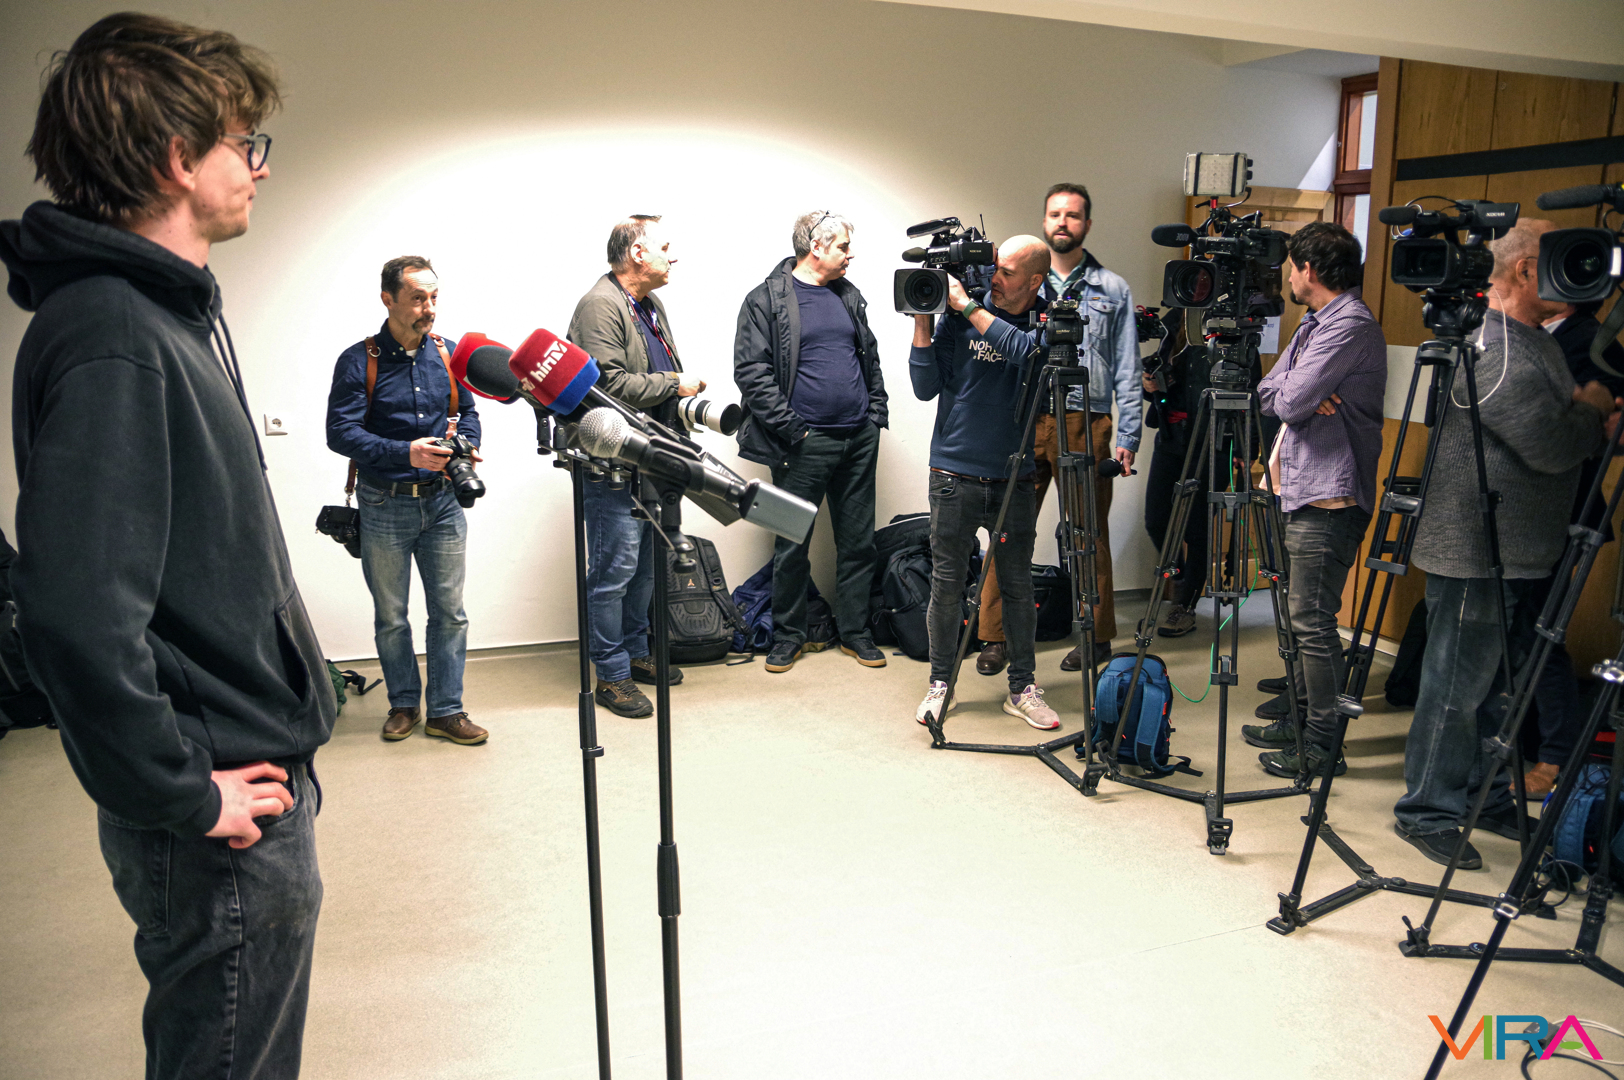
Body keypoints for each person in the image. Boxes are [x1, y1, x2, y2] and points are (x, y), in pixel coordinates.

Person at [1, 13, 336, 1076]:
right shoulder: (115, 334)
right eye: (246, 143)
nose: (260, 168)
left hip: (242, 777)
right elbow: (73, 617)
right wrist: (184, 794)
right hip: (217, 808)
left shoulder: (153, 317)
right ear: (177, 159)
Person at [1393, 219, 1617, 869]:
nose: (1579, 275)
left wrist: (1582, 411)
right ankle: (1428, 809)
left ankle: (1478, 793)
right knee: (1455, 689)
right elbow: (1551, 443)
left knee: (1494, 689)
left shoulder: (1531, 339)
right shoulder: (1493, 346)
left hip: (1516, 550)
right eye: (1560, 260)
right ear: (1523, 269)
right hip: (1474, 550)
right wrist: (1593, 407)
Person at [1237, 222, 1388, 779]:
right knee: (1298, 618)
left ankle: (1324, 744)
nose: (1287, 277)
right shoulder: (1315, 322)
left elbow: (1290, 401)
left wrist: (1302, 393)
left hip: (1330, 496)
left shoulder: (1349, 326)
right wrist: (1301, 392)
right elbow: (1267, 392)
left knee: (1314, 623)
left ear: (1309, 270)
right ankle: (1300, 722)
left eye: (1291, 267)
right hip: (1298, 486)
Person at [976, 184, 1140, 675]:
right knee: (1008, 528)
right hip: (1027, 415)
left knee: (1088, 531)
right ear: (1044, 222)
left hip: (1085, 419)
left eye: (1072, 215)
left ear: (1087, 224)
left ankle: (1096, 636)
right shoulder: (1018, 280)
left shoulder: (1112, 288)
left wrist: (1128, 435)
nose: (1063, 222)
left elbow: (1128, 365)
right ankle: (994, 636)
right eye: (1054, 214)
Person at [327, 257, 488, 745]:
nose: (429, 308)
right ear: (388, 299)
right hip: (384, 503)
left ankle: (445, 711)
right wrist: (406, 452)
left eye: (434, 297)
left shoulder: (450, 353)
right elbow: (340, 433)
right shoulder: (358, 360)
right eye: (418, 298)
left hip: (444, 503)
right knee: (392, 616)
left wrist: (466, 446)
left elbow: (469, 412)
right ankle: (403, 704)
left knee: (450, 613)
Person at [911, 236, 1061, 731]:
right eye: (995, 268)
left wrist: (968, 308)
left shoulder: (1048, 321)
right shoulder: (961, 315)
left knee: (1017, 586)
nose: (995, 278)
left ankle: (1022, 689)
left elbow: (1025, 353)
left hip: (1013, 475)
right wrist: (923, 320)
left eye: (1008, 273)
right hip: (952, 473)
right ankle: (940, 683)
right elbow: (924, 387)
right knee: (946, 585)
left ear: (1035, 281)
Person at [734, 211, 889, 673]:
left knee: (858, 543)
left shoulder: (848, 295)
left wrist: (875, 414)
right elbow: (751, 372)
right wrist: (793, 429)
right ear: (816, 246)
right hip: (798, 445)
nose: (850, 254)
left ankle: (855, 633)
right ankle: (788, 636)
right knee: (790, 543)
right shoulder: (766, 299)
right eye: (843, 245)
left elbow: (869, 357)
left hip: (858, 438)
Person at [567, 215, 703, 717]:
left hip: (650, 458)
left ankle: (634, 652)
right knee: (614, 572)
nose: (674, 254)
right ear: (637, 254)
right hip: (612, 464)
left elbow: (653, 373)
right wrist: (674, 385)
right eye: (665, 246)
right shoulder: (600, 305)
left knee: (645, 568)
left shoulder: (648, 304)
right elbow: (605, 387)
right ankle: (611, 675)